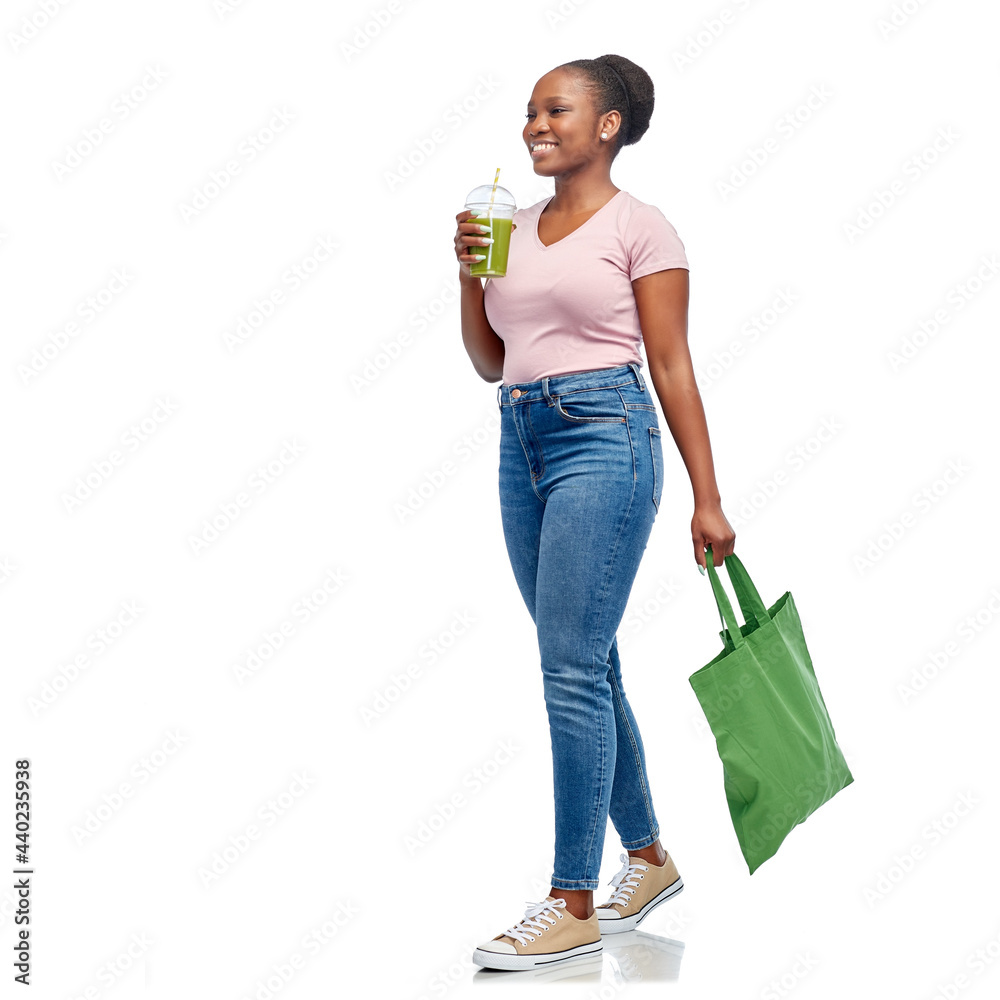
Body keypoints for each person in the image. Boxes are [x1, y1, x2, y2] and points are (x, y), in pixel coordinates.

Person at [453, 54, 736, 972]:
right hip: (521, 440)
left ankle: (572, 898)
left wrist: (709, 495)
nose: (535, 125)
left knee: (569, 667)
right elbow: (495, 360)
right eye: (529, 111)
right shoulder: (515, 227)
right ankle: (647, 859)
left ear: (607, 125)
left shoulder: (642, 228)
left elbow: (673, 366)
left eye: (556, 110)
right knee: (584, 660)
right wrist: (468, 277)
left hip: (607, 438)